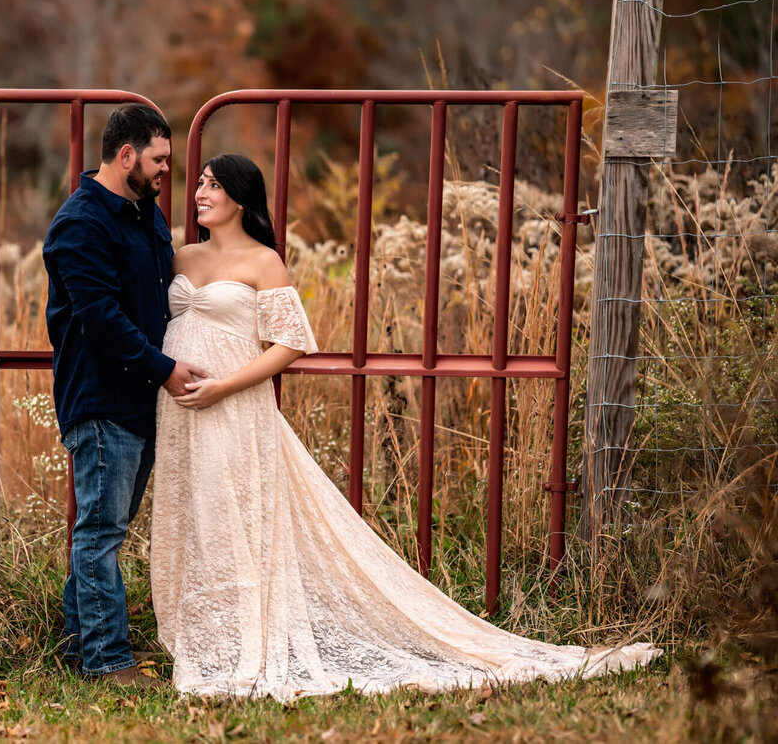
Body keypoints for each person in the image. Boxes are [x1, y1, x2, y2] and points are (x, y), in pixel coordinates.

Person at [150, 153, 661, 701]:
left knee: (236, 515)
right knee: (192, 512)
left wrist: (223, 386)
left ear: (241, 197)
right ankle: (197, 629)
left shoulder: (264, 262)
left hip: (233, 409)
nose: (200, 192)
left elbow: (290, 343)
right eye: (199, 183)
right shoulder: (181, 258)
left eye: (212, 184)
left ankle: (242, 634)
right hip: (178, 412)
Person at [42, 103, 207, 686]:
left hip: (139, 400)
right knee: (101, 532)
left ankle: (75, 644)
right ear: (126, 155)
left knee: (102, 529)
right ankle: (108, 660)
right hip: (103, 399)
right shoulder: (81, 224)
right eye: (159, 160)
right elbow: (102, 320)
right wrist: (163, 369)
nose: (167, 171)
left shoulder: (146, 214)